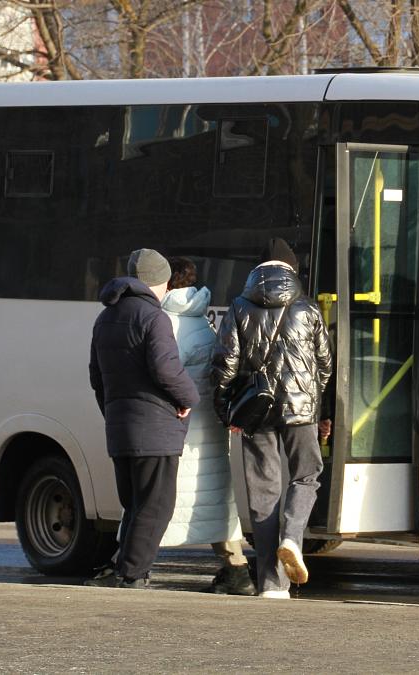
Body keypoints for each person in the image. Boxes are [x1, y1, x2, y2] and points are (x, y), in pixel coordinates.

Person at [212, 238, 332, 599]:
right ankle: (293, 538)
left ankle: (271, 583)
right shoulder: (308, 309)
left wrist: (227, 411)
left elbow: (224, 365)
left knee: (264, 492)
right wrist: (317, 408)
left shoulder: (238, 307)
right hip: (301, 411)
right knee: (306, 476)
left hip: (256, 410)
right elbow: (324, 366)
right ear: (292, 269)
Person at [86, 248, 199, 589]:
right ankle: (132, 574)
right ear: (160, 281)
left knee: (134, 504)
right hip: (155, 427)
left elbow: (96, 376)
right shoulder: (153, 317)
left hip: (120, 427)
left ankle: (127, 568)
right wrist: (188, 398)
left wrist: (113, 410)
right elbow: (167, 369)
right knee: (156, 506)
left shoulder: (106, 317)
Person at [159, 257, 255, 596]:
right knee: (212, 497)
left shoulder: (162, 323)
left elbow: (164, 374)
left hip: (177, 423)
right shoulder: (203, 319)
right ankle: (237, 567)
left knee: (153, 497)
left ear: (166, 284)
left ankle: (127, 562)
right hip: (209, 427)